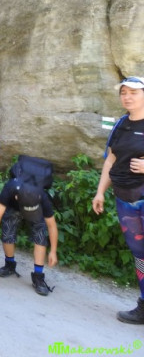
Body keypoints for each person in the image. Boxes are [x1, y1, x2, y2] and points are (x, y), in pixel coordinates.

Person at [93, 76, 144, 323]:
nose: (127, 97)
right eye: (123, 92)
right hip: (124, 199)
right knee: (140, 254)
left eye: (133, 92)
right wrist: (100, 191)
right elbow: (111, 159)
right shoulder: (121, 124)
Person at [0, 180, 58, 295]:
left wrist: (53, 251)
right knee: (8, 229)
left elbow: (51, 226)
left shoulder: (43, 197)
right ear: (17, 196)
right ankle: (10, 265)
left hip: (36, 211)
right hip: (14, 207)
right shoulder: (9, 189)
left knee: (40, 235)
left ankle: (38, 276)